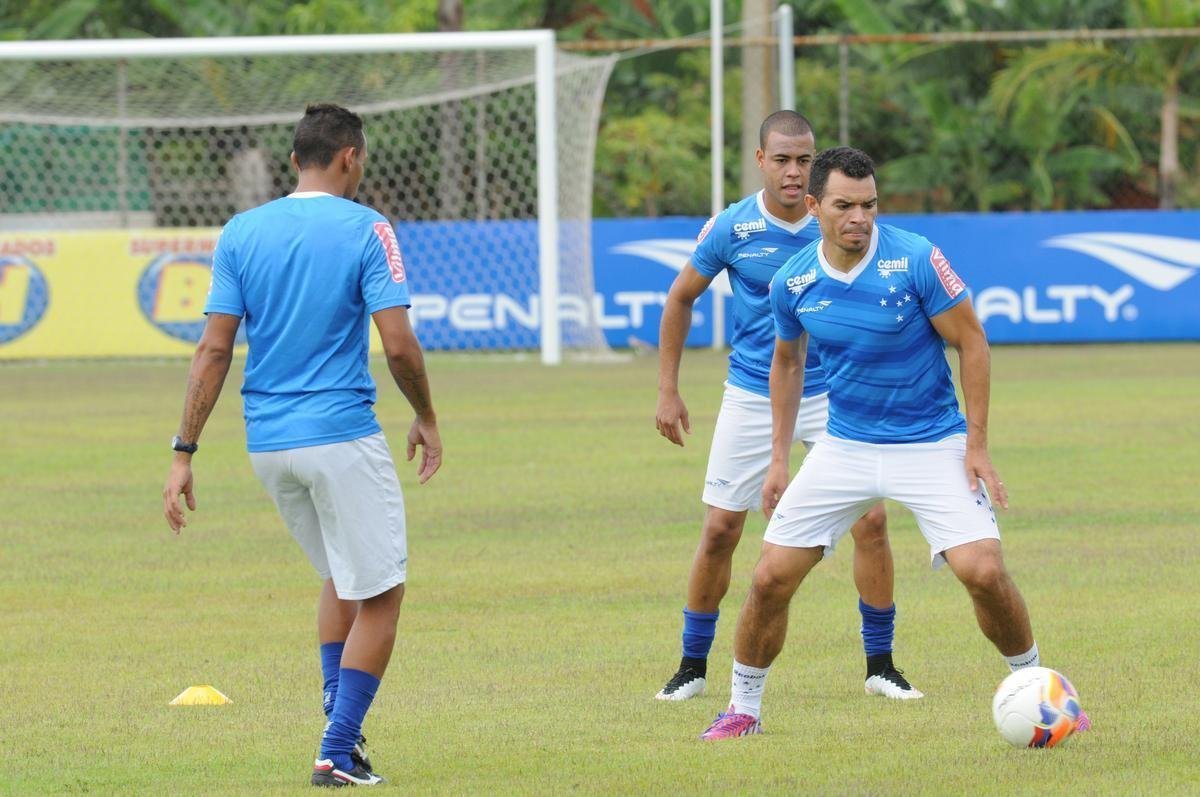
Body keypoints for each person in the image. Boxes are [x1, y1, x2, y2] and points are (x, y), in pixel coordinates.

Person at [699, 146, 1090, 740]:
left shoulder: (916, 259)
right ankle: (742, 710)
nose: (859, 217)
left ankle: (1040, 687)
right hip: (844, 447)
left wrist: (976, 446)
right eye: (844, 205)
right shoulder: (794, 281)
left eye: (869, 204)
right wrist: (779, 458)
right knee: (769, 578)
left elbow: (974, 344)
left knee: (983, 570)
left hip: (931, 441)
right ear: (813, 207)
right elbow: (787, 362)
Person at [161, 103, 442, 785]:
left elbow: (213, 348)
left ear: (294, 161)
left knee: (340, 575)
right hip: (340, 436)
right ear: (351, 157)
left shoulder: (241, 230)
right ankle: (337, 748)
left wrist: (182, 452)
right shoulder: (369, 226)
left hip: (269, 446)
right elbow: (398, 341)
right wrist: (427, 415)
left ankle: (338, 727)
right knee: (382, 594)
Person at [654, 111, 920, 703]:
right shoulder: (732, 227)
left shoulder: (850, 222)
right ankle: (691, 666)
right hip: (753, 391)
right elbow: (679, 299)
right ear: (760, 161)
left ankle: (882, 664)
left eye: (804, 160)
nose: (794, 172)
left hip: (836, 393)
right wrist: (668, 388)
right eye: (782, 160)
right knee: (722, 528)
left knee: (871, 522)